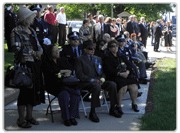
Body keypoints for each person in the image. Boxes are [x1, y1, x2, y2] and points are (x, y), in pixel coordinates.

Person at [11, 7, 45, 128]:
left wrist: (40, 51)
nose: (33, 18)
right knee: (24, 93)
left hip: (35, 64)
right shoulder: (16, 31)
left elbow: (38, 43)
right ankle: (20, 120)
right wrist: (33, 53)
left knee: (33, 92)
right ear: (25, 18)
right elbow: (16, 48)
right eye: (31, 16)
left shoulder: (32, 30)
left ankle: (29, 117)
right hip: (24, 66)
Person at [75, 40, 122, 123]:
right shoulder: (80, 59)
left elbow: (103, 72)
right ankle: (92, 112)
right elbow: (80, 75)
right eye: (90, 48)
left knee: (112, 84)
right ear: (84, 49)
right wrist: (93, 80)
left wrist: (102, 79)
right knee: (96, 87)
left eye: (93, 48)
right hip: (87, 83)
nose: (92, 50)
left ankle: (113, 108)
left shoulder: (98, 58)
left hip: (98, 81)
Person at [42, 45, 80, 126]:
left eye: (58, 50)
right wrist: (63, 71)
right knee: (64, 94)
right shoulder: (46, 62)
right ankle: (66, 118)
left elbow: (71, 68)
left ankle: (72, 116)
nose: (57, 52)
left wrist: (68, 71)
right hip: (54, 85)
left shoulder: (62, 59)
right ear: (50, 53)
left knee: (76, 92)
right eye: (55, 51)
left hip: (67, 83)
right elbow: (51, 74)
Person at [103, 39, 140, 113]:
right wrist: (120, 74)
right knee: (124, 86)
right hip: (114, 76)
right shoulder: (107, 57)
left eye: (116, 46)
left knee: (134, 85)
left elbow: (130, 65)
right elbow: (108, 70)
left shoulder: (121, 55)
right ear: (109, 48)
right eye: (113, 46)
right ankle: (118, 106)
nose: (115, 47)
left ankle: (134, 104)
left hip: (125, 75)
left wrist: (127, 72)